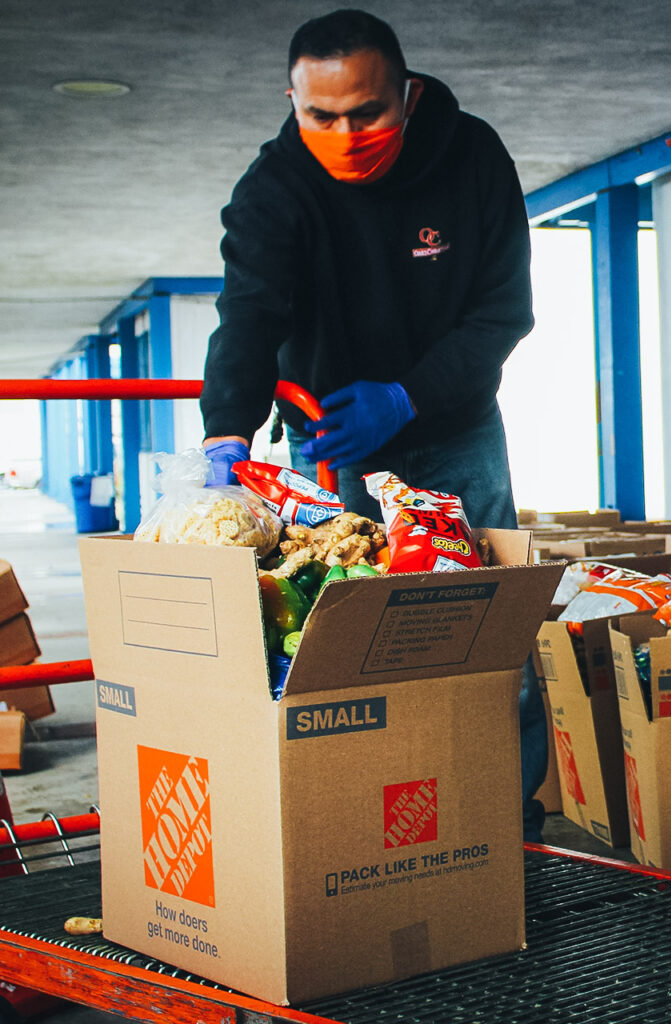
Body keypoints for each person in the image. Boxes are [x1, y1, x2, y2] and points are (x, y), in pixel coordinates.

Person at [199, 9, 547, 841]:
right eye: (322, 116)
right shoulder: (275, 189)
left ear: (407, 92)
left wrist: (408, 396)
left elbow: (504, 312)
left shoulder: (471, 159)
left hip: (458, 434)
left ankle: (508, 820)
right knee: (352, 650)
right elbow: (246, 319)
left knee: (488, 632)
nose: (345, 134)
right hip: (333, 456)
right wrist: (226, 436)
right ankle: (377, 829)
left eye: (367, 113)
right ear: (292, 99)